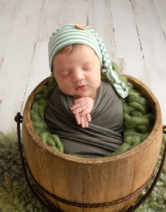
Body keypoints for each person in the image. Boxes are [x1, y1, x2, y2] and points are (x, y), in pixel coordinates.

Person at [45, 24, 129, 157]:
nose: (78, 77)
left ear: (100, 67)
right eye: (66, 73)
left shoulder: (109, 92)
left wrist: (93, 105)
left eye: (87, 67)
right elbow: (50, 124)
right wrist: (70, 110)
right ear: (55, 76)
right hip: (65, 158)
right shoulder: (55, 99)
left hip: (109, 148)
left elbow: (117, 119)